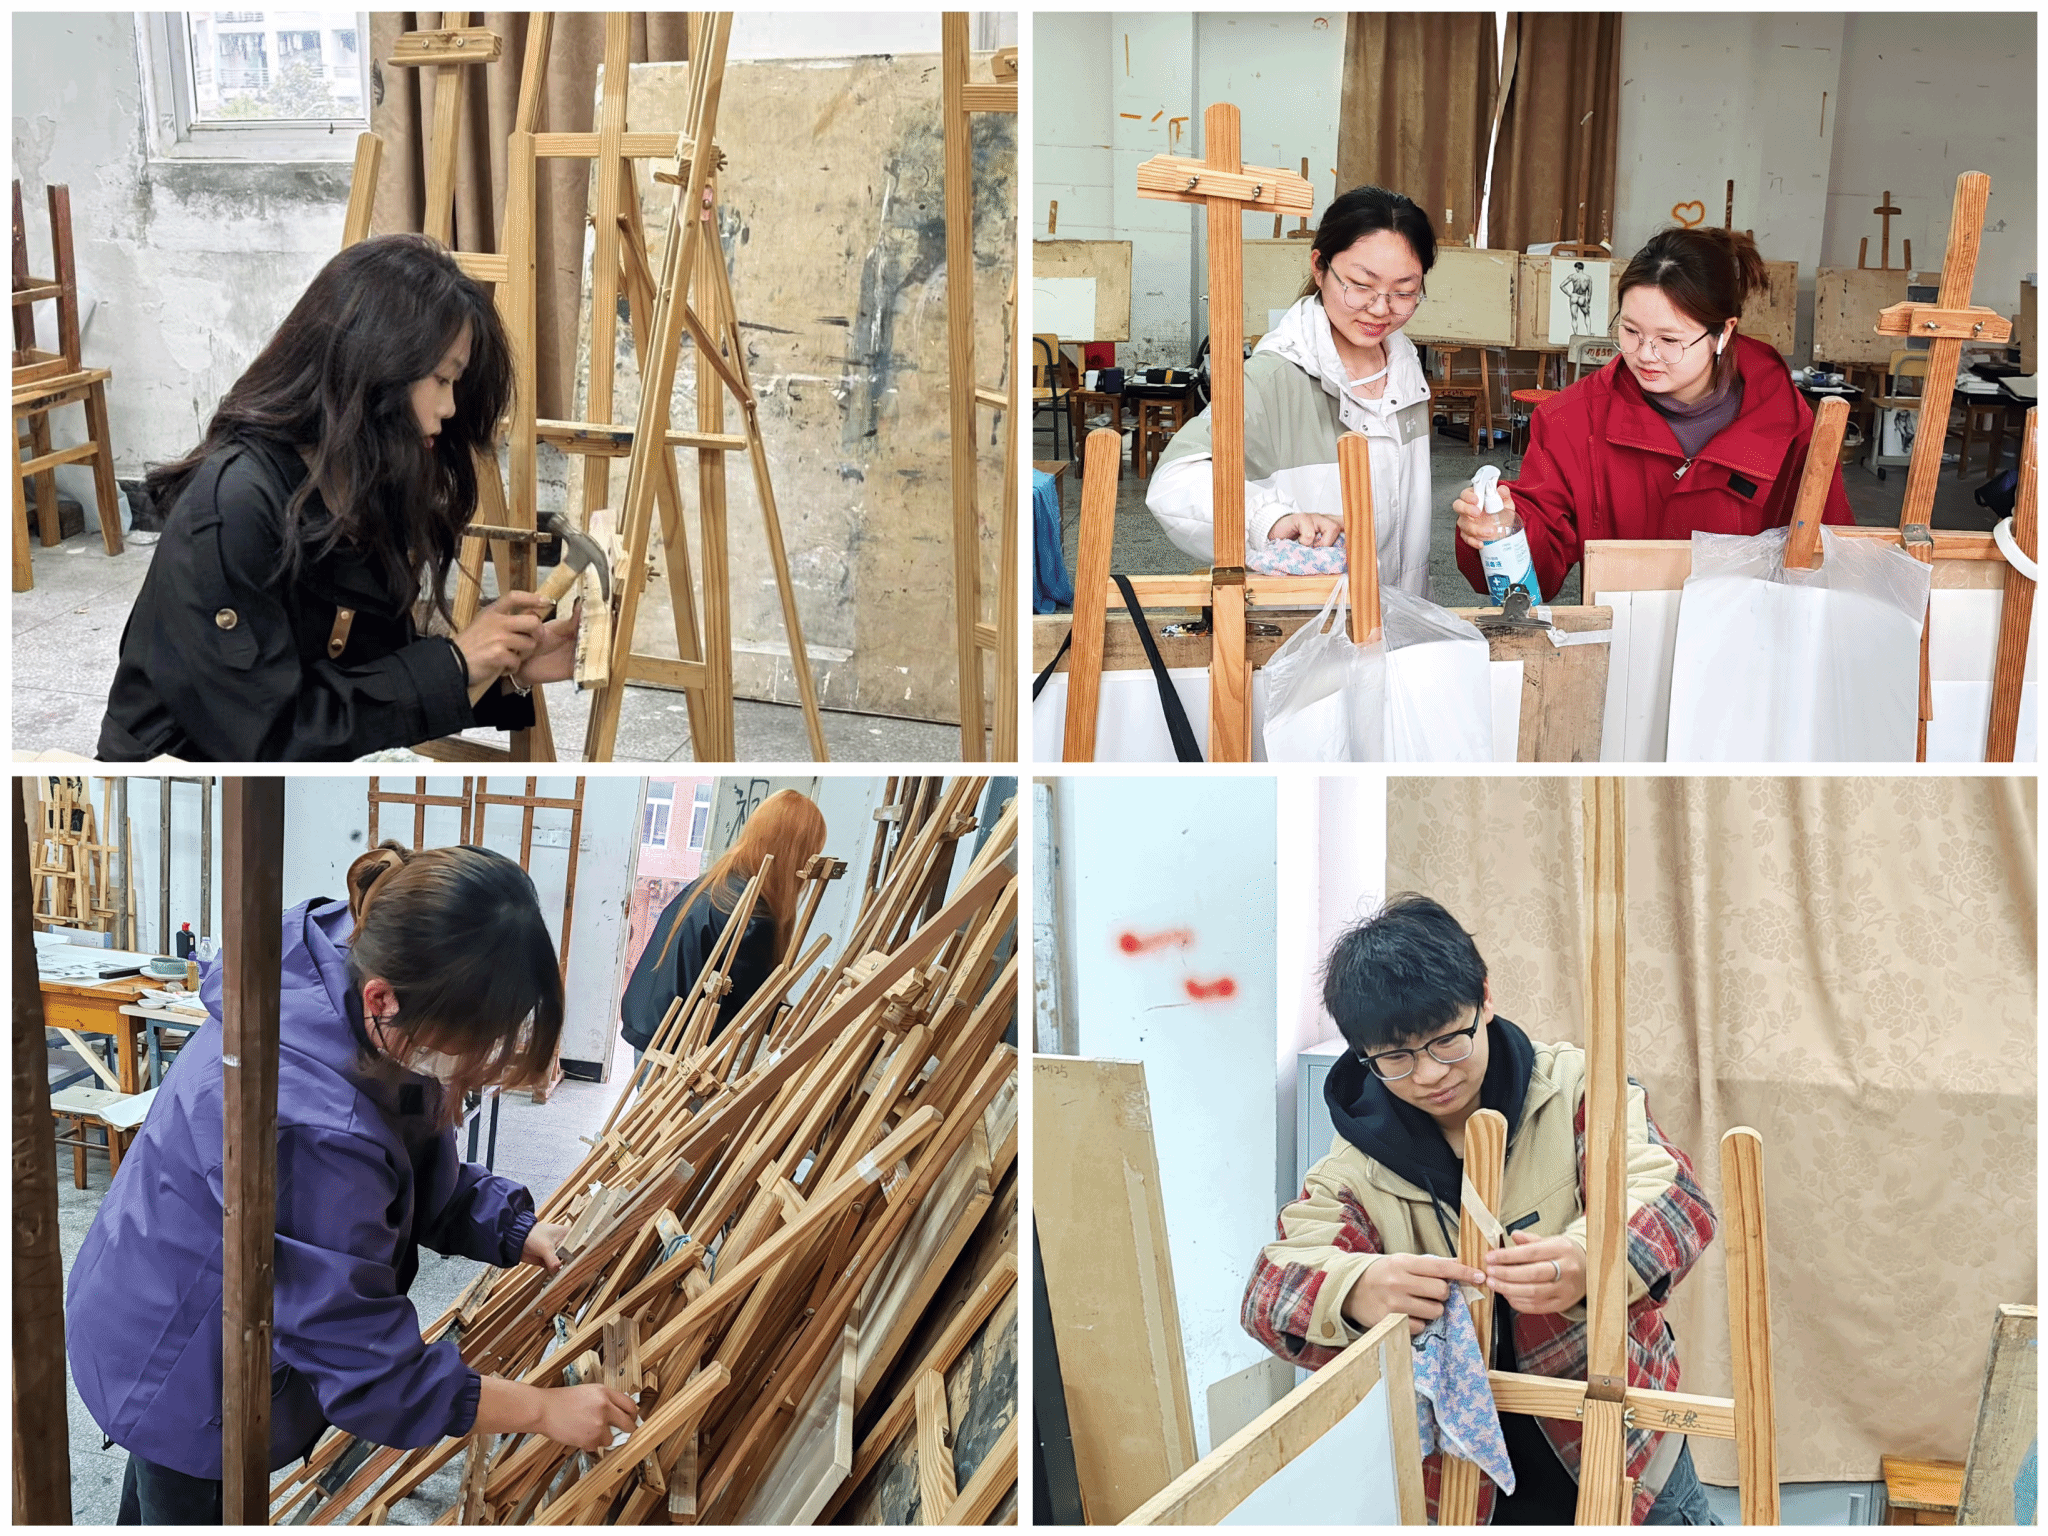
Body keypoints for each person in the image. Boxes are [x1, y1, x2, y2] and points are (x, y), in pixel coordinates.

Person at [67, 842, 639, 1524]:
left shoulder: (360, 957)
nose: (462, 1074)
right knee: (186, 1493)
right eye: (458, 1053)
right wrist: (542, 1409)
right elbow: (367, 1366)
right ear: (381, 1000)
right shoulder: (311, 1124)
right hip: (183, 1359)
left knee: (159, 1493)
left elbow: (413, 1163)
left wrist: (516, 1229)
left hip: (162, 1290)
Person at [1242, 896, 1719, 1525]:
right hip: (1460, 1480)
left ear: (1484, 999)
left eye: (1447, 1041)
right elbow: (1268, 1293)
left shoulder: (1577, 1088)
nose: (1428, 1075)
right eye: (1396, 1057)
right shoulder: (1357, 1163)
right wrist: (1357, 1289)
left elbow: (1674, 1199)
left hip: (1623, 1447)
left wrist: (1587, 1260)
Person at [98, 234, 579, 761]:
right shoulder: (233, 507)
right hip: (180, 774)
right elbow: (271, 736)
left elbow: (365, 674)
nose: (448, 408)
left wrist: (507, 671)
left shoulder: (359, 486)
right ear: (373, 367)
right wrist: (456, 663)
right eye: (442, 379)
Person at [1453, 226, 1853, 600]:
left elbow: (1830, 555)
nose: (1645, 355)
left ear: (1724, 332)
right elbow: (1540, 562)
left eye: (1669, 339)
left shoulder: (1786, 422)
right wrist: (1502, 533)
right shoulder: (1573, 419)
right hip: (1625, 634)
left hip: (1747, 635)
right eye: (1631, 331)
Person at [1147, 186, 1439, 594]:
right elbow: (1174, 484)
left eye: (1404, 292)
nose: (1380, 308)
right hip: (1307, 618)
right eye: (1360, 285)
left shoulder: (1405, 372)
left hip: (1398, 611)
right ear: (1319, 268)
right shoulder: (1272, 377)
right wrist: (1268, 518)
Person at [620, 788, 828, 1061]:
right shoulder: (753, 915)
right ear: (794, 855)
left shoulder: (716, 884)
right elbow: (752, 1005)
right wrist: (806, 1026)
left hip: (651, 1023)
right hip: (673, 1045)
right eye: (810, 855)